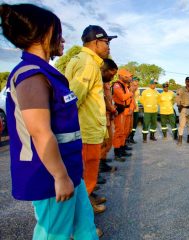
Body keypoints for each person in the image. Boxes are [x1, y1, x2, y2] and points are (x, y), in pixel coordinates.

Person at [1, 3, 99, 238]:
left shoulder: (47, 73)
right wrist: (60, 176)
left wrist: (71, 171)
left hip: (68, 169)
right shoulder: (32, 75)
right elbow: (40, 132)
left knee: (85, 228)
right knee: (54, 234)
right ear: (45, 34)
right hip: (49, 175)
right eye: (58, 32)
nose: (63, 40)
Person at [65, 25, 117, 215]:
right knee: (85, 178)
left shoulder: (88, 62)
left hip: (88, 129)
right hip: (85, 131)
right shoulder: (88, 63)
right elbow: (73, 99)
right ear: (95, 42)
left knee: (86, 177)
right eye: (106, 42)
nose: (109, 47)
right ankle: (79, 223)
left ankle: (86, 204)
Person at [99, 58, 118, 173]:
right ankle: (99, 166)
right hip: (102, 115)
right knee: (103, 142)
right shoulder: (98, 81)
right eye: (112, 74)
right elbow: (103, 98)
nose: (112, 77)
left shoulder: (106, 82)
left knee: (108, 141)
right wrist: (111, 108)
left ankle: (102, 162)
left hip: (107, 115)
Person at [112, 69, 134, 160]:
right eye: (127, 77)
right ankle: (117, 152)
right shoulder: (117, 85)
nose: (129, 78)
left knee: (124, 131)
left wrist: (131, 108)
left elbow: (129, 99)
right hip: (120, 111)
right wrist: (131, 93)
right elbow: (122, 97)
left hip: (126, 110)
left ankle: (122, 148)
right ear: (120, 76)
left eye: (129, 77)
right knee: (119, 132)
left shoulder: (125, 86)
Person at [176, 77, 189, 145]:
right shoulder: (181, 89)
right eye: (188, 82)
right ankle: (180, 139)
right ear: (185, 82)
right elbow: (178, 98)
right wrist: (179, 106)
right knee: (182, 125)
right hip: (183, 109)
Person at [128, 77, 140, 143]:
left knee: (134, 125)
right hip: (131, 109)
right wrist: (133, 88)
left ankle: (131, 137)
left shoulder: (138, 89)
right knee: (129, 125)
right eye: (135, 81)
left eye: (137, 81)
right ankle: (128, 138)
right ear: (132, 81)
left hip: (136, 109)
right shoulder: (131, 88)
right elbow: (131, 96)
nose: (137, 82)